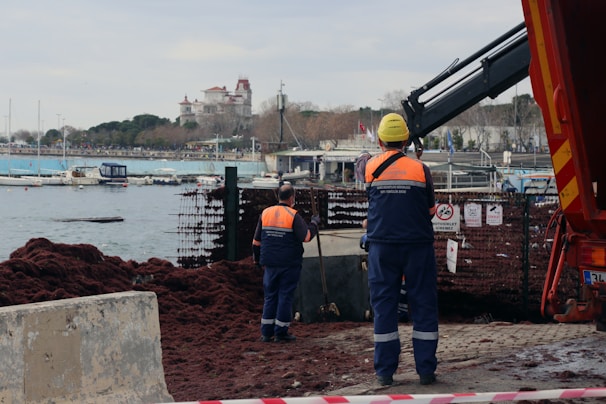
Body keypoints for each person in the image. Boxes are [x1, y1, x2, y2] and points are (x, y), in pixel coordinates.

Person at [364, 112, 439, 386]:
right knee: (424, 305)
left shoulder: (370, 168)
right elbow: (430, 210)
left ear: (381, 140)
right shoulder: (421, 170)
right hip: (417, 246)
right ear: (406, 139)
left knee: (384, 307)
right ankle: (426, 371)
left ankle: (385, 373)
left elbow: (374, 202)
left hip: (382, 247)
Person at [252, 184, 321, 343]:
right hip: (289, 264)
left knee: (270, 297)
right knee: (285, 296)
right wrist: (315, 223)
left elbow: (256, 241)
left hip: (269, 264)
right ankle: (281, 332)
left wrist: (257, 260)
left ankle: (266, 333)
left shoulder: (266, 213)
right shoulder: (293, 215)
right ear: (291, 198)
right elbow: (306, 236)